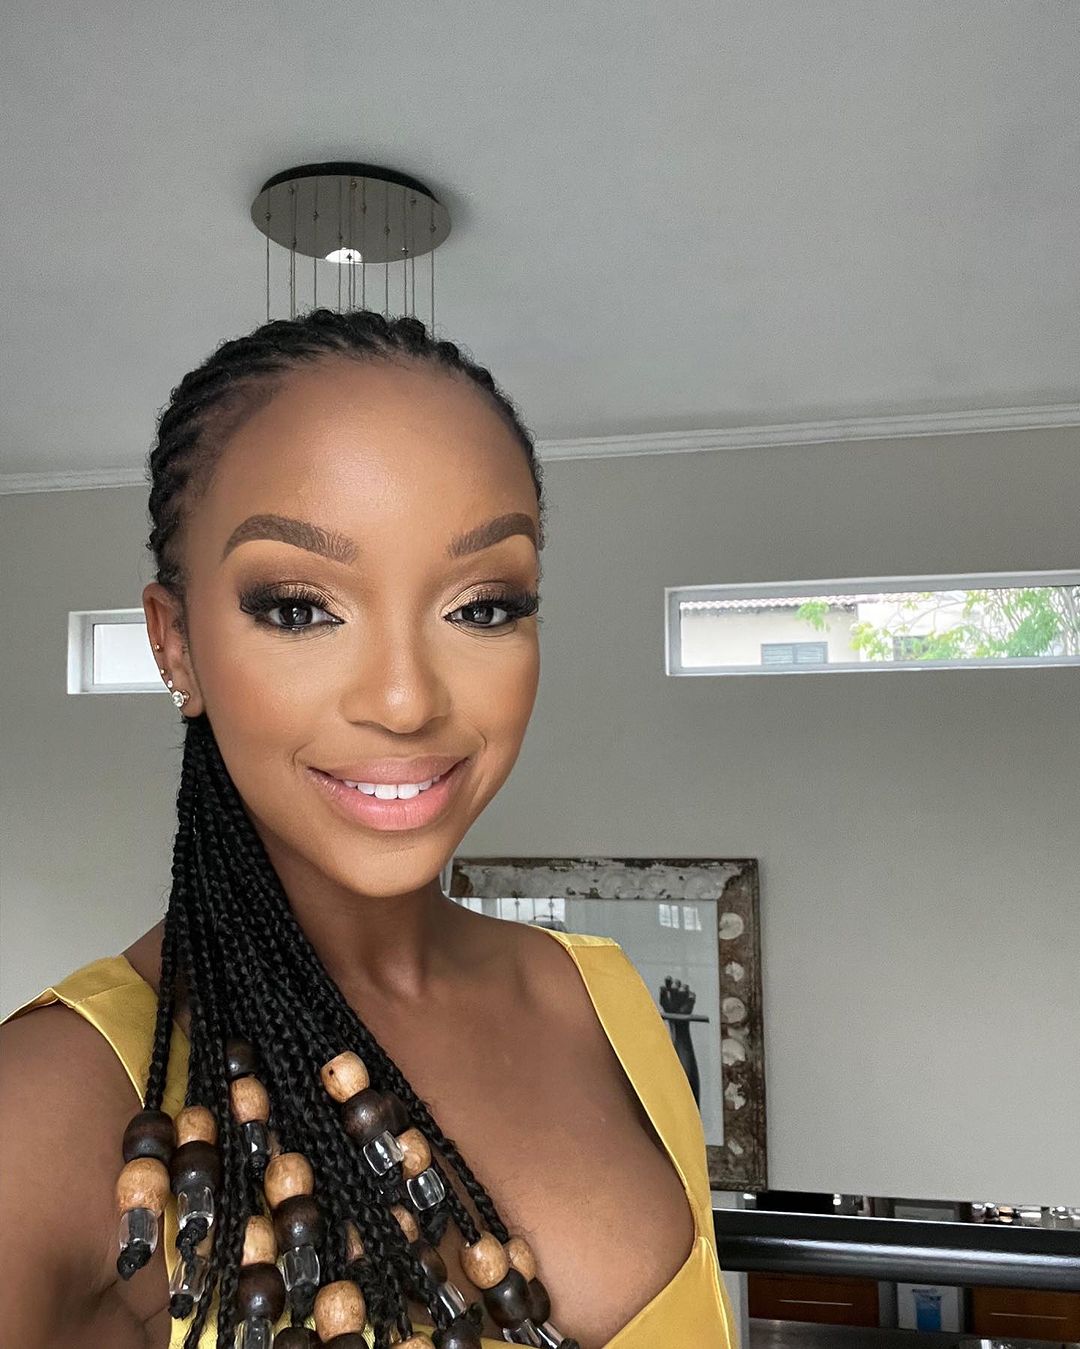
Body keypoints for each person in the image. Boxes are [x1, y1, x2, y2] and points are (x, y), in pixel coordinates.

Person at [0, 309, 737, 1349]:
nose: (404, 699)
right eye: (299, 606)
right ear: (177, 645)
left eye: (484, 605)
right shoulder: (50, 1107)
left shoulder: (602, 997)